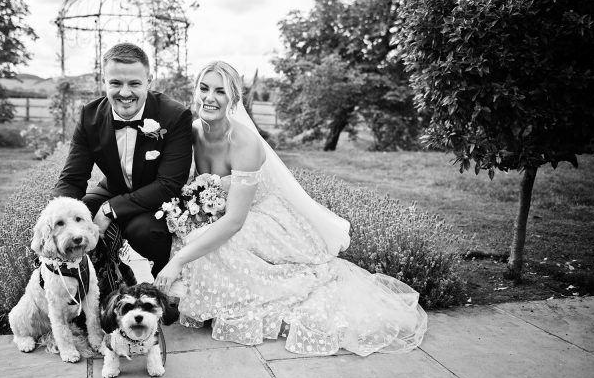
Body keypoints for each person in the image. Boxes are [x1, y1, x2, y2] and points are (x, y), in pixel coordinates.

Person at [153, 61, 427, 356]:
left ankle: (240, 300)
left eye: (220, 91)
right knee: (186, 233)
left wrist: (179, 260)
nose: (210, 97)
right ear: (194, 92)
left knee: (212, 245)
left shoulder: (245, 143)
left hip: (257, 219)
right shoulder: (191, 133)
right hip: (216, 214)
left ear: (233, 99)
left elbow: (234, 221)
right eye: (204, 88)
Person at [54, 43, 193, 277]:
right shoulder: (90, 116)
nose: (125, 93)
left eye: (135, 84)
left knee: (143, 229)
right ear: (104, 82)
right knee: (76, 215)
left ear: (149, 81)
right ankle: (80, 287)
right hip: (114, 188)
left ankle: (152, 296)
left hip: (159, 200)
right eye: (116, 83)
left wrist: (110, 210)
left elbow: (169, 184)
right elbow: (72, 177)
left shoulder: (175, 116)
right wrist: (55, 217)